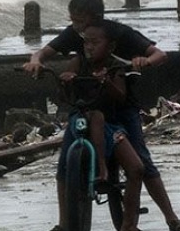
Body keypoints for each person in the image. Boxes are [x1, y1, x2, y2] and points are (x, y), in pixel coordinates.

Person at [23, 0, 180, 231]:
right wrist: (36, 62)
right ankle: (63, 222)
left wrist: (143, 62)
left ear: (97, 17)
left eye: (80, 22)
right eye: (74, 23)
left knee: (142, 161)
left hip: (121, 107)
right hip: (87, 105)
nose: (79, 32)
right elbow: (43, 53)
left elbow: (159, 54)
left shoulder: (118, 33)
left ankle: (171, 218)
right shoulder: (76, 36)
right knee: (64, 164)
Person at [59, 20, 143, 231]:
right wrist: (66, 81)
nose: (89, 47)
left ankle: (129, 224)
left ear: (110, 46)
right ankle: (101, 171)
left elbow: (121, 96)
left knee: (137, 169)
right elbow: (64, 96)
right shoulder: (78, 63)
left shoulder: (116, 66)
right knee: (93, 117)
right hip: (82, 123)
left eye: (95, 42)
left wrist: (107, 82)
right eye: (86, 42)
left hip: (111, 128)